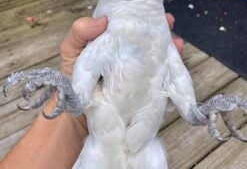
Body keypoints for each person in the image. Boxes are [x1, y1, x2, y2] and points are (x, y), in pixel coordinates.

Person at [0, 14, 183, 169]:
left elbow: (189, 108)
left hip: (144, 147)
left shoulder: (157, 34)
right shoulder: (106, 26)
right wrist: (68, 96)